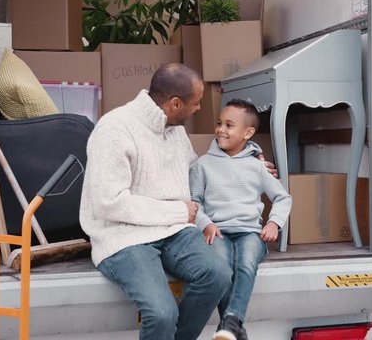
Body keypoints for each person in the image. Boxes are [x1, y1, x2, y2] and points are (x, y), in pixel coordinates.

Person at [79, 63, 233, 340]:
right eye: (196, 103)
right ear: (175, 104)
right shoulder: (114, 129)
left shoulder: (175, 130)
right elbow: (109, 203)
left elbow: (193, 175)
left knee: (218, 274)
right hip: (123, 234)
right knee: (162, 314)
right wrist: (177, 211)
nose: (199, 109)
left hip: (172, 229)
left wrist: (248, 161)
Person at [189, 99, 292, 340]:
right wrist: (206, 224)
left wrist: (273, 222)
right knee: (222, 269)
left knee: (245, 264)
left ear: (248, 133)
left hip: (249, 232)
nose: (220, 129)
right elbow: (194, 203)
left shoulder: (257, 168)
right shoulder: (202, 165)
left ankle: (232, 321)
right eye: (219, 123)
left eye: (229, 125)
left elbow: (283, 197)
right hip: (218, 231)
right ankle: (234, 329)